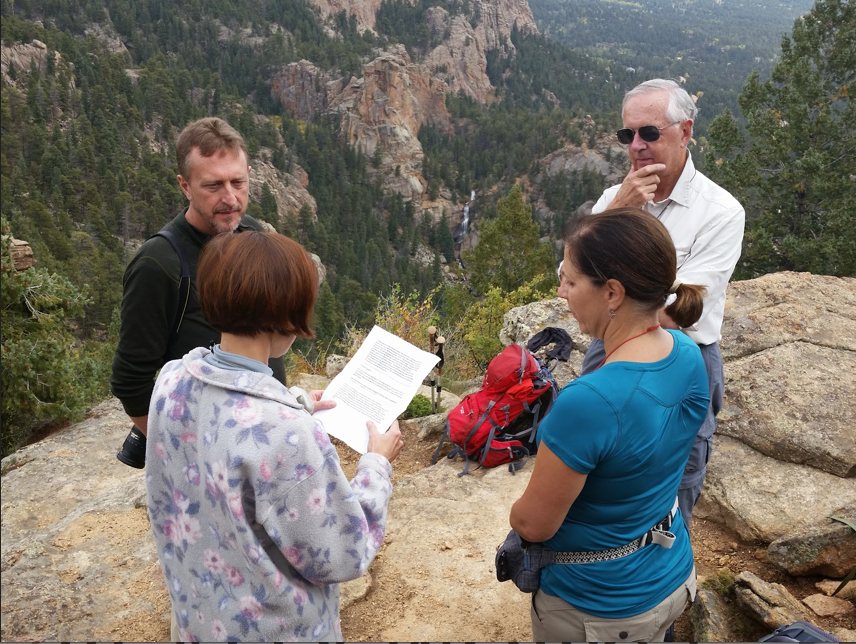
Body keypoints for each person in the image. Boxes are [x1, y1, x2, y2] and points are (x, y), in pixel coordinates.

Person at [145, 230, 404, 642]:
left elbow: (223, 426)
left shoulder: (172, 380)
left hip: (198, 616)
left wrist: (293, 400)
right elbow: (342, 553)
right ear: (288, 318)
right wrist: (377, 464)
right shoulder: (288, 434)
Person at [510, 208, 710, 642]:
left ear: (613, 293)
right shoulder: (686, 352)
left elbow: (533, 526)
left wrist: (517, 511)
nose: (562, 292)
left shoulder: (588, 402)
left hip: (601, 608)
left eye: (571, 280)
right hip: (671, 574)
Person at [586, 78, 745, 525]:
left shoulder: (720, 211)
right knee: (594, 465)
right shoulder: (615, 200)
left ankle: (666, 578)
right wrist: (619, 210)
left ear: (686, 130)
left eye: (649, 133)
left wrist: (608, 299)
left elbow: (684, 307)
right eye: (627, 135)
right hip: (610, 349)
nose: (636, 146)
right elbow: (570, 277)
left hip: (683, 358)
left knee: (677, 477)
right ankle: (599, 566)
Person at [111, 117, 286, 468]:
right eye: (213, 186)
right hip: (211, 460)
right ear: (185, 186)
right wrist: (188, 452)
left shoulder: (252, 236)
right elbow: (131, 380)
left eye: (238, 181)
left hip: (271, 437)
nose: (230, 198)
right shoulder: (158, 265)